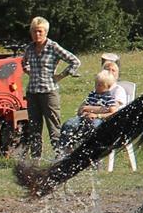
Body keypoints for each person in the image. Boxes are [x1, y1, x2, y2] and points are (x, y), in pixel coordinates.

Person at [21, 16, 80, 158]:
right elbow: (23, 63)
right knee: (34, 128)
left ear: (46, 32)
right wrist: (30, 71)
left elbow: (75, 61)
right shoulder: (29, 48)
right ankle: (36, 159)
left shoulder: (53, 47)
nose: (37, 34)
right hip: (32, 92)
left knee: (54, 127)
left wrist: (61, 75)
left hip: (49, 92)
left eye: (40, 31)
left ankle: (59, 157)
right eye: (34, 31)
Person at [58, 69, 121, 152]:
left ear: (107, 86)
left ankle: (90, 151)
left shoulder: (109, 98)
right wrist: (84, 111)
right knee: (69, 124)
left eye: (99, 85)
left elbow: (113, 112)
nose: (96, 86)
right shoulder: (92, 95)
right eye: (96, 84)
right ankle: (64, 150)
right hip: (84, 117)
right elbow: (82, 108)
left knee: (94, 127)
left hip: (98, 120)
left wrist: (97, 115)